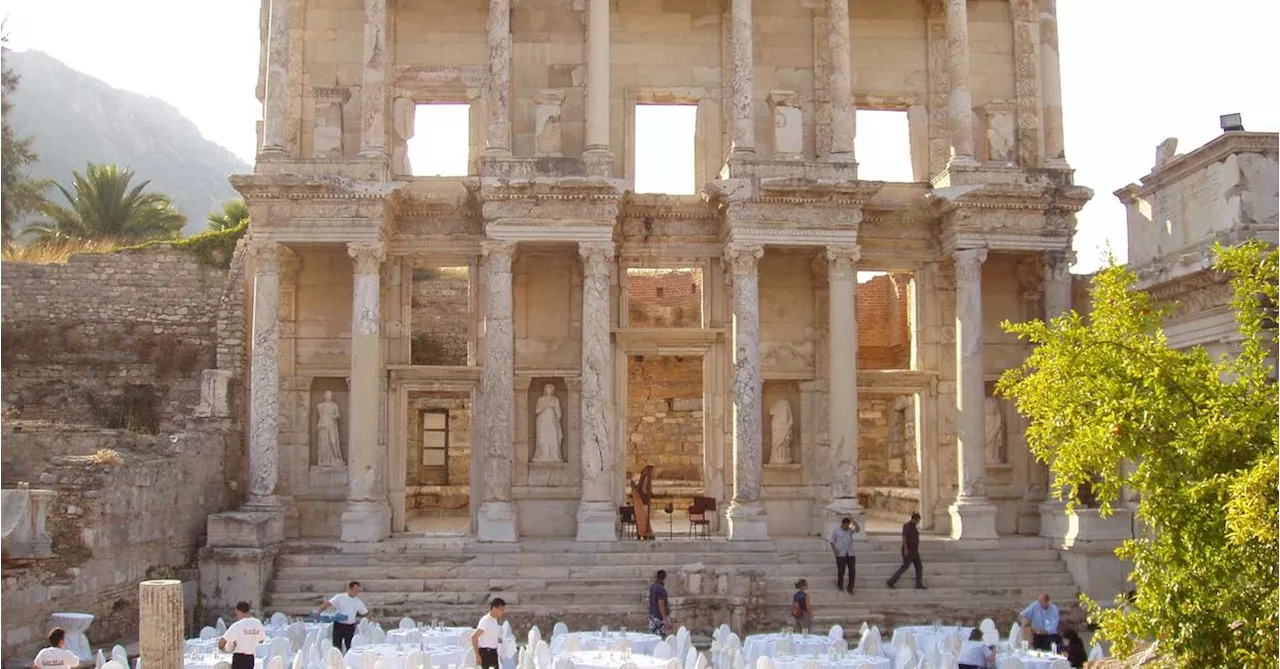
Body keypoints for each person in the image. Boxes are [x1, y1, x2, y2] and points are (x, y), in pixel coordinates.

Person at [318, 581, 368, 652]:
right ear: (350, 589)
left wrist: (371, 619)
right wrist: (319, 610)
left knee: (349, 645)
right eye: (355, 590)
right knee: (336, 646)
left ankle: (348, 660)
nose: (357, 592)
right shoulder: (340, 597)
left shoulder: (358, 601)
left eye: (358, 591)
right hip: (339, 624)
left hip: (350, 626)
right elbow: (328, 603)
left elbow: (365, 612)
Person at [217, 601, 266, 669]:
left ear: (237, 611)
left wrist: (223, 649)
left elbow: (222, 641)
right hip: (250, 658)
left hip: (239, 659)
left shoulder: (238, 625)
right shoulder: (258, 624)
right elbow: (261, 640)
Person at [886, 512, 925, 589]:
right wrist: (905, 549)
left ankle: (919, 583)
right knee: (905, 567)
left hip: (915, 551)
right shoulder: (907, 526)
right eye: (918, 520)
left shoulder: (914, 527)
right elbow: (904, 538)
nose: (918, 522)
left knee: (919, 567)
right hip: (909, 550)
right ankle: (891, 581)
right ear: (914, 519)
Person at [471, 598, 506, 669]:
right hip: (486, 653)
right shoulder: (486, 620)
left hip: (493, 652)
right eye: (501, 610)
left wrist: (499, 640)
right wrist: (477, 655)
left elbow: (489, 634)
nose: (502, 612)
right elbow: (474, 637)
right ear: (494, 608)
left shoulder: (495, 620)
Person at [827, 517, 860, 594]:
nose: (847, 527)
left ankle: (850, 587)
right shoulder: (836, 531)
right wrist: (834, 549)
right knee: (841, 571)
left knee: (852, 571)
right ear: (843, 524)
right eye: (846, 526)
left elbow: (858, 529)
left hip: (850, 553)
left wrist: (854, 522)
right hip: (840, 554)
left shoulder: (850, 530)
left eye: (848, 525)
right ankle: (840, 584)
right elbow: (832, 541)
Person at [630, 465, 655, 540]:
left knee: (645, 517)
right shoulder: (646, 481)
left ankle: (644, 531)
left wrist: (636, 487)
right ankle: (645, 531)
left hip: (644, 501)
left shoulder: (646, 481)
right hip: (644, 501)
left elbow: (644, 489)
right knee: (645, 516)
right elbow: (643, 489)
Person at [648, 570, 670, 637]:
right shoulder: (661, 589)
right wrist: (665, 619)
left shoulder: (652, 587)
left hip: (652, 615)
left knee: (653, 636)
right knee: (662, 637)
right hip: (659, 617)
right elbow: (661, 604)